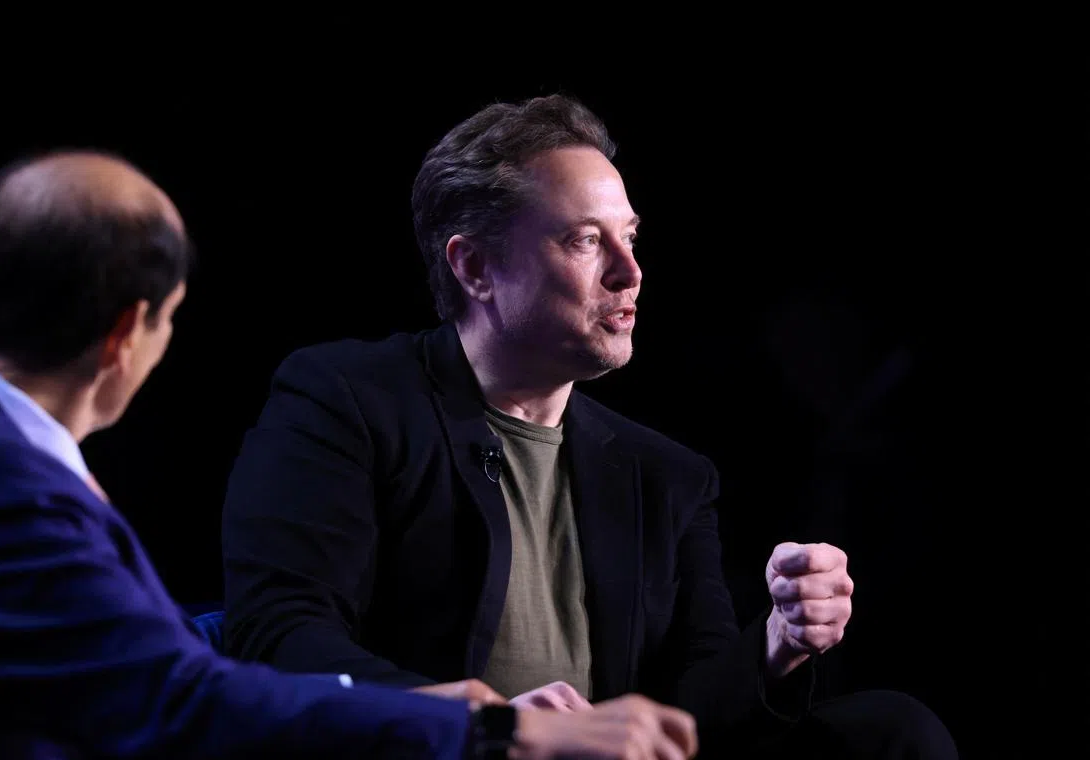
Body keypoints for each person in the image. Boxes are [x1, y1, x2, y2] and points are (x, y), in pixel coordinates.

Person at [220, 94, 957, 758]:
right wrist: (496, 723)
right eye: (584, 241)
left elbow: (696, 719)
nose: (630, 272)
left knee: (893, 730)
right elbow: (279, 635)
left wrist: (778, 642)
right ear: (475, 267)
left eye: (631, 237)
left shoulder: (666, 474)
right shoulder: (345, 398)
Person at [0, 149, 700, 759]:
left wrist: (431, 696)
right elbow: (172, 699)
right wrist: (489, 726)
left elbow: (129, 642)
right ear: (125, 334)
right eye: (172, 319)